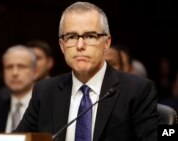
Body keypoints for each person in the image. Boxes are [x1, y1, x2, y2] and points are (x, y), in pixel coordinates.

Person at [16, 2, 159, 141]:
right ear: (62, 45)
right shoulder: (45, 91)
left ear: (106, 43)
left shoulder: (137, 90)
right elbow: (18, 139)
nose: (80, 45)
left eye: (90, 36)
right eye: (71, 37)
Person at [0, 45, 37, 133]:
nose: (14, 73)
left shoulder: (47, 109)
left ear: (34, 72)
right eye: (9, 67)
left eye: (21, 66)